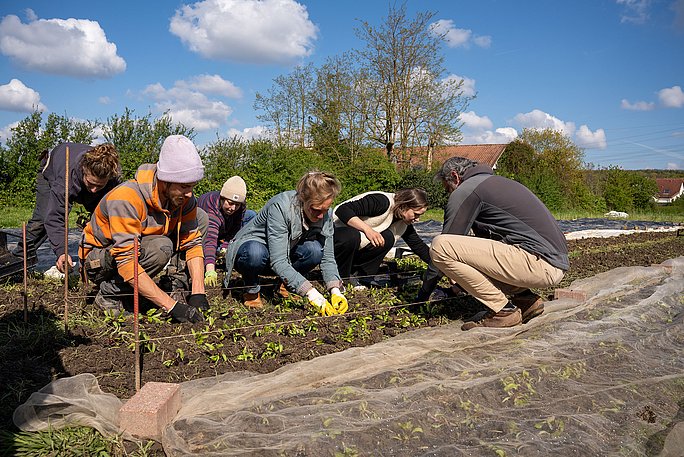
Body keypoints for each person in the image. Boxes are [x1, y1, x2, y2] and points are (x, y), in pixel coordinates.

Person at [417, 156, 569, 330]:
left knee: (440, 247)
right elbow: (485, 252)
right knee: (473, 250)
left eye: (447, 188)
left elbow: (448, 241)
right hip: (553, 262)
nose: (449, 194)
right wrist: (457, 287)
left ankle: (504, 311)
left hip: (538, 263)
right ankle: (526, 301)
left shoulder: (467, 189)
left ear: (455, 176)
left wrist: (423, 295)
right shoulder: (498, 182)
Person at [79, 135, 208, 323]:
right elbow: (126, 261)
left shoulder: (184, 199)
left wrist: (198, 292)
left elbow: (193, 243)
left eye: (193, 186)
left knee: (201, 217)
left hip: (138, 252)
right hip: (99, 260)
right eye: (184, 186)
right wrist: (172, 307)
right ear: (165, 180)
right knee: (161, 246)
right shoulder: (127, 198)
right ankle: (110, 295)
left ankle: (175, 283)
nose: (189, 193)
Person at [223, 171, 348, 315]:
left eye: (325, 210)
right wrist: (311, 293)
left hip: (284, 251)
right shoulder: (281, 206)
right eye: (315, 210)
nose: (320, 216)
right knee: (255, 253)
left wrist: (336, 291)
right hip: (252, 251)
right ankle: (251, 290)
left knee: (315, 250)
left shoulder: (324, 214)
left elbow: (328, 256)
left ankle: (285, 285)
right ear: (303, 199)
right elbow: (278, 260)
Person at [12, 143, 121, 273]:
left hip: (86, 179)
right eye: (91, 183)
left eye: (99, 186)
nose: (93, 190)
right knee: (42, 220)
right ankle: (17, 260)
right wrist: (61, 252)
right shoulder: (67, 178)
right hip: (52, 170)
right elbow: (55, 217)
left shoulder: (113, 176)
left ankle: (103, 262)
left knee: (103, 216)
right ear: (84, 170)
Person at [333, 188, 431, 288]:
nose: (418, 219)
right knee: (352, 235)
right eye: (416, 214)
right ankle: (338, 276)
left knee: (388, 238)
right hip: (334, 235)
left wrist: (439, 265)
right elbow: (342, 210)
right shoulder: (382, 202)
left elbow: (418, 245)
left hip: (354, 246)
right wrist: (367, 230)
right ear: (405, 206)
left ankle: (358, 274)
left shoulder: (402, 222)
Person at [197, 176, 256, 287]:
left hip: (225, 226)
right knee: (210, 247)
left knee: (251, 215)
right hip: (204, 232)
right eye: (230, 203)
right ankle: (216, 253)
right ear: (222, 198)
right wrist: (210, 269)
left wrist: (226, 244)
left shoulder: (240, 205)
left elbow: (236, 226)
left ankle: (236, 251)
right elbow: (210, 239)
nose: (233, 208)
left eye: (237, 204)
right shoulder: (211, 209)